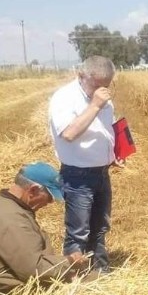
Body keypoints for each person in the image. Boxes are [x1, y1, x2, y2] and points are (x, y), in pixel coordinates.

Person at [0, 161, 87, 295]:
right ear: (33, 190)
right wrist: (70, 262)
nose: (50, 203)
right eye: (49, 197)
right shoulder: (10, 220)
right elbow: (34, 270)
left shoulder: (12, 207)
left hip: (28, 286)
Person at [48, 56, 122, 274]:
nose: (102, 91)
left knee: (100, 226)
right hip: (77, 175)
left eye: (106, 86)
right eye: (97, 85)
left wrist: (114, 153)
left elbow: (106, 130)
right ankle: (74, 276)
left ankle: (99, 270)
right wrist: (95, 105)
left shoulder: (104, 100)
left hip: (101, 172)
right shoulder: (64, 98)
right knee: (78, 231)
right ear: (81, 76)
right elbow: (69, 133)